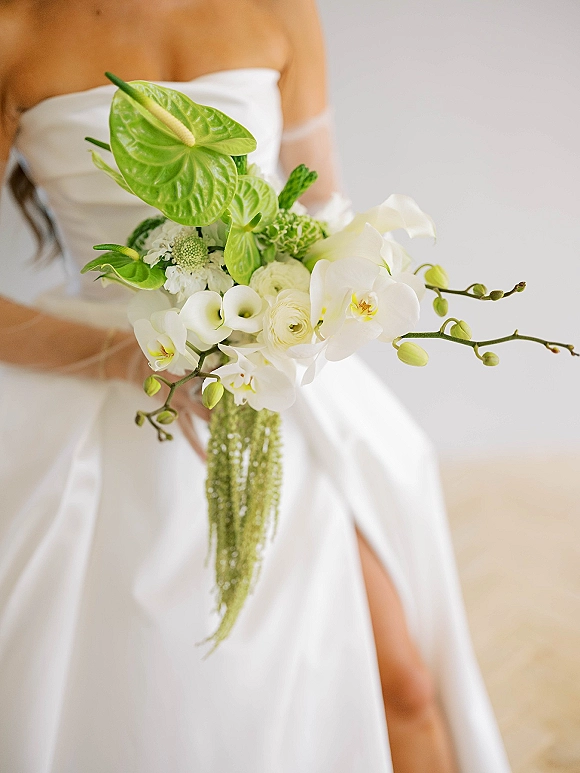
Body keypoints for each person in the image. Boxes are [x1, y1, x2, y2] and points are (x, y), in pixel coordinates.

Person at [0, 1, 511, 771]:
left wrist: (306, 304)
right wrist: (128, 357)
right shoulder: (17, 27)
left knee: (404, 678)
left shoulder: (277, 9)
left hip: (275, 371)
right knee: (163, 707)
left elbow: (322, 207)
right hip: (111, 388)